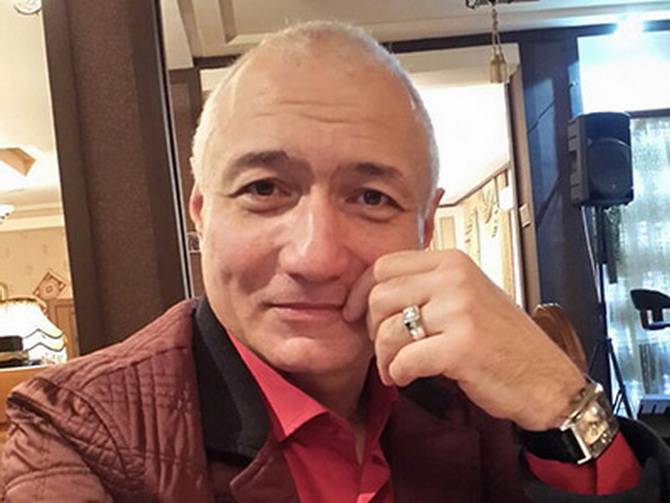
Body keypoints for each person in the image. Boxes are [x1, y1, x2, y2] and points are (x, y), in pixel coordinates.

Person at [1, 21, 668, 502]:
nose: (316, 257)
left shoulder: (471, 392)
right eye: (265, 189)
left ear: (424, 227)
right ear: (202, 213)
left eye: (371, 197)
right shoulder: (73, 431)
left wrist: (561, 401)